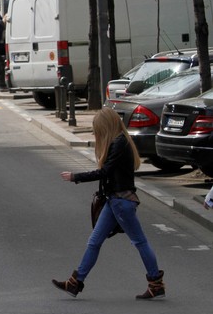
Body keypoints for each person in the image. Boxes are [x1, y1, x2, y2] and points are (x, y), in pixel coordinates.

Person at [52, 107, 164, 300]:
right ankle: (75, 282)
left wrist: (75, 177)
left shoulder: (119, 143)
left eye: (98, 129)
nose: (97, 134)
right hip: (115, 201)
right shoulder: (121, 141)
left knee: (139, 242)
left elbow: (105, 172)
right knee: (95, 242)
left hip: (121, 202)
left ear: (106, 126)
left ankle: (156, 283)